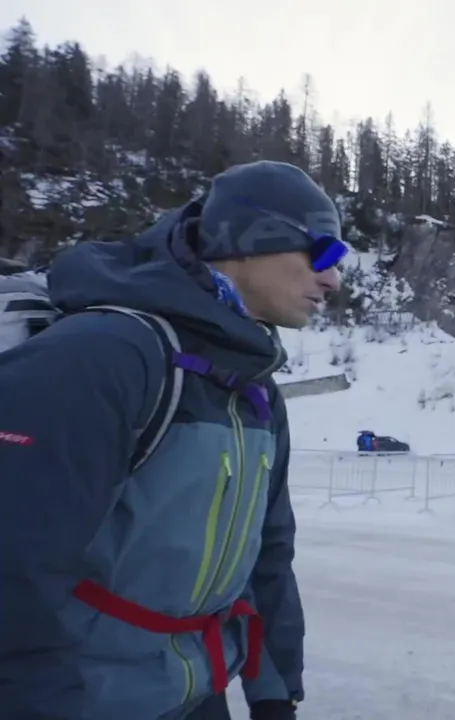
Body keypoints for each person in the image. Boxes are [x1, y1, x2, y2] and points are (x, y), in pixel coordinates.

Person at [0, 160, 345, 720]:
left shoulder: (254, 388)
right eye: (322, 253)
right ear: (248, 238)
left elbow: (267, 557)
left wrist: (275, 693)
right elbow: (15, 577)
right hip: (87, 701)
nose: (333, 280)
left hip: (196, 696)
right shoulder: (102, 357)